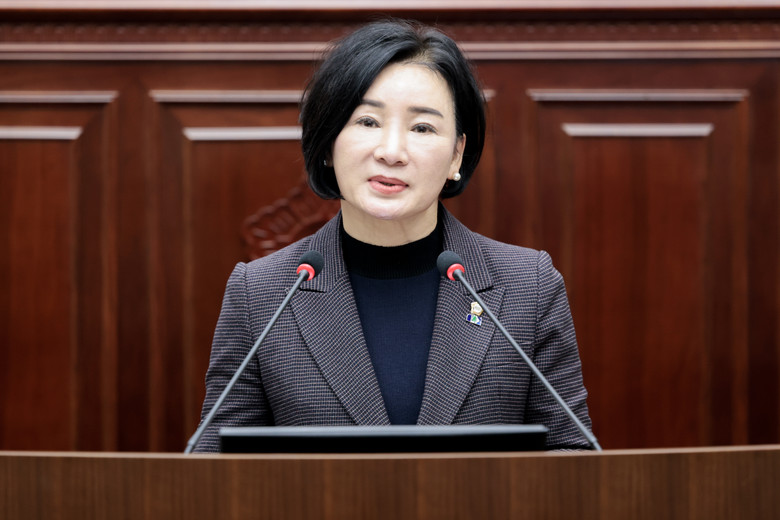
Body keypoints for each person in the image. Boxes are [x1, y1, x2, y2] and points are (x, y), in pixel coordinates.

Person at [193, 19, 593, 452]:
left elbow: (572, 459)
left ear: (456, 154)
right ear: (328, 143)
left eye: (422, 128)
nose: (391, 152)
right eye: (367, 121)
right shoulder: (261, 294)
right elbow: (217, 469)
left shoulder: (528, 287)